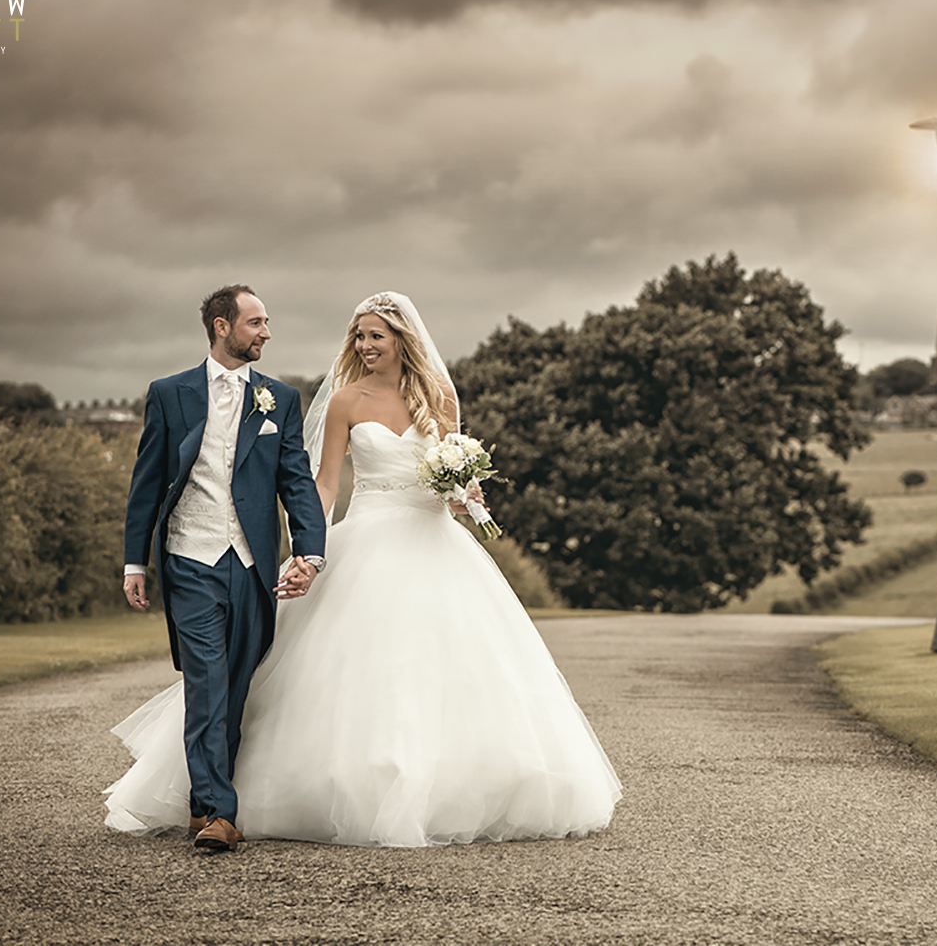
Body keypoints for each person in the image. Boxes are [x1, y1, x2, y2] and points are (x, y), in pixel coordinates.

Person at [105, 292, 621, 847]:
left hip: (435, 544)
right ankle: (220, 801)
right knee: (317, 667)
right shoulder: (346, 401)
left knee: (450, 667)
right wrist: (310, 550)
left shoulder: (439, 397)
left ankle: (459, 783)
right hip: (365, 535)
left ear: (402, 338)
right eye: (359, 336)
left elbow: (447, 477)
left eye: (376, 335)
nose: (365, 345)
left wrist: (462, 493)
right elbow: (321, 483)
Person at [120, 285, 326, 852]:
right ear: (221, 326)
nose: (265, 332)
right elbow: (147, 482)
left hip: (252, 563)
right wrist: (136, 559)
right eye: (256, 322)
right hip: (190, 558)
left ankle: (200, 805)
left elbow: (297, 481)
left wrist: (310, 551)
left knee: (233, 691)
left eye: (266, 323)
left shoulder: (279, 399)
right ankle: (221, 813)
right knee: (206, 683)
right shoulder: (170, 393)